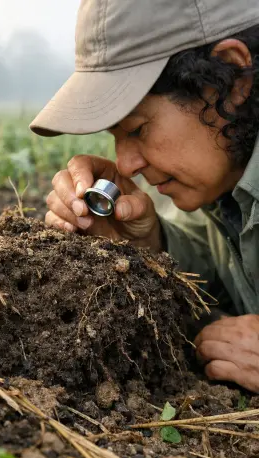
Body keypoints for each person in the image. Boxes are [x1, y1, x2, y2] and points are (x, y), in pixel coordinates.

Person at [30, 0, 259, 394]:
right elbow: (223, 268)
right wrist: (148, 244)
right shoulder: (226, 184)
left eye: (137, 129)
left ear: (233, 76)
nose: (126, 163)